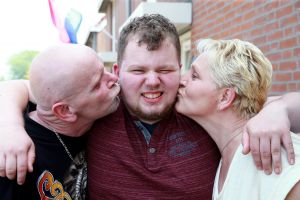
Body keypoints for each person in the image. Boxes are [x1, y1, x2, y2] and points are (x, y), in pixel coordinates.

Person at [0, 14, 300, 199]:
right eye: (139, 71)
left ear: (180, 70)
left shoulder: (201, 111)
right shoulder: (98, 108)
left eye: (166, 71)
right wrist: (9, 125)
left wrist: (279, 110)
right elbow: (30, 89)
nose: (153, 82)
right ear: (117, 71)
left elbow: (261, 105)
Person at [176, 38, 300, 199]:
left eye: (194, 76)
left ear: (225, 97)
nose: (181, 80)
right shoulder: (226, 158)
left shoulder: (273, 154)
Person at [0, 44, 120, 199]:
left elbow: (18, 86)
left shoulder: (100, 110)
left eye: (104, 69)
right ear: (65, 111)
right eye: (97, 84)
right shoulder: (14, 157)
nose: (114, 78)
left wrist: (9, 125)